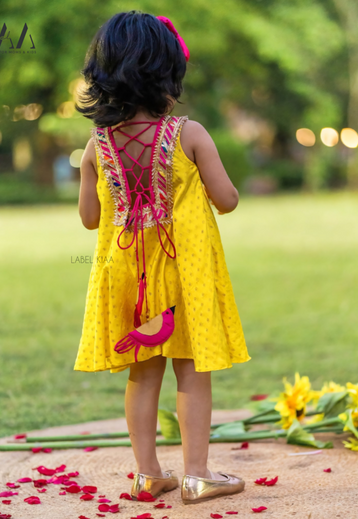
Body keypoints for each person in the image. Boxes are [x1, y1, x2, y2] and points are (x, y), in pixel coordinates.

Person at [73, 10, 251, 505]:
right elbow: (228, 200)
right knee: (192, 369)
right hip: (184, 273)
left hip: (130, 277)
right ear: (166, 73)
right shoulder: (188, 134)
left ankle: (147, 474)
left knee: (142, 372)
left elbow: (90, 219)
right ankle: (197, 474)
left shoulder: (96, 146)